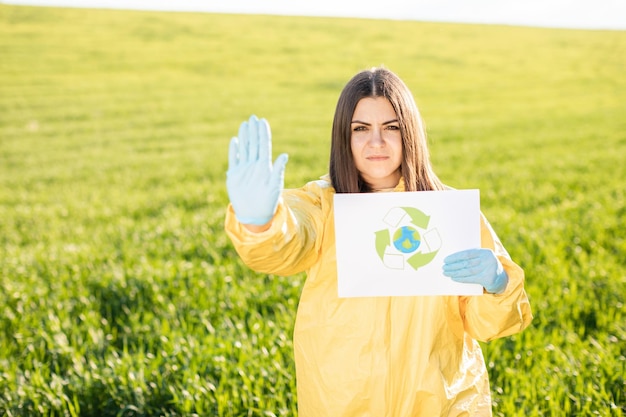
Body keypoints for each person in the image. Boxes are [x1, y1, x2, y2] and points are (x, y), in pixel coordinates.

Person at [224, 67, 533, 416]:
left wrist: (498, 284)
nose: (376, 143)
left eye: (391, 127)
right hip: (342, 402)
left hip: (440, 403)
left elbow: (490, 325)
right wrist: (261, 222)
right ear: (344, 136)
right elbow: (288, 243)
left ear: (410, 133)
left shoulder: (449, 212)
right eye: (361, 129)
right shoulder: (323, 206)